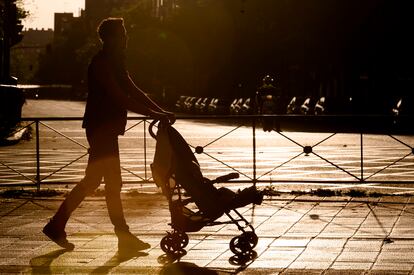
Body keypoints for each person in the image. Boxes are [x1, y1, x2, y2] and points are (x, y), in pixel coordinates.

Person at [42, 17, 175, 254]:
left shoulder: (115, 61)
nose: (126, 37)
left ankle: (59, 225)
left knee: (96, 182)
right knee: (109, 183)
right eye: (122, 33)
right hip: (100, 128)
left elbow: (133, 89)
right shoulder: (102, 63)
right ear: (111, 37)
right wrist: (153, 113)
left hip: (107, 129)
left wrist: (159, 110)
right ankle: (119, 235)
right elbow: (119, 97)